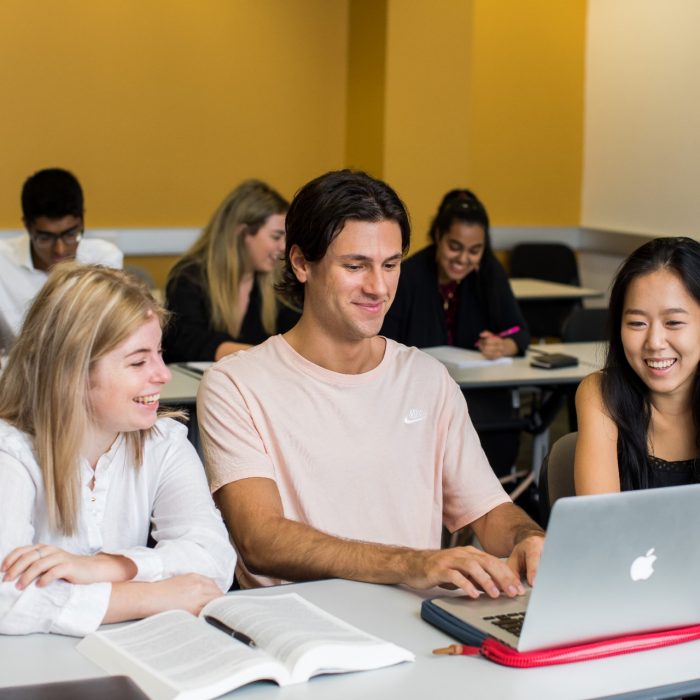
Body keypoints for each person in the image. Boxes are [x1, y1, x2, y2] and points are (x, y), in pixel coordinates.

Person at [198, 169, 544, 594]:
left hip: (415, 622)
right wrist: (412, 564)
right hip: (301, 628)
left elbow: (489, 512)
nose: (378, 287)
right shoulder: (235, 385)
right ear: (302, 263)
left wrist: (528, 538)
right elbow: (260, 540)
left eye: (391, 264)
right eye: (356, 265)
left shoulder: (427, 379)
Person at [0, 264, 235, 636]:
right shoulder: (10, 453)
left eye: (158, 353)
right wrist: (151, 597)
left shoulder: (165, 442)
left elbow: (214, 559)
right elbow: (4, 599)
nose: (163, 374)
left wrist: (109, 567)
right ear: (71, 371)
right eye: (138, 361)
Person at [381, 189, 531, 476]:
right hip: (418, 394)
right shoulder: (408, 275)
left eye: (474, 250)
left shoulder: (489, 274)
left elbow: (519, 331)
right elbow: (386, 340)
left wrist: (505, 344)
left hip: (476, 392)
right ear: (438, 236)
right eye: (454, 246)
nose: (463, 259)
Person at [575, 237, 700, 494]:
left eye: (673, 322)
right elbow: (601, 521)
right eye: (636, 323)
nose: (654, 342)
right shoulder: (601, 394)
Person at [163, 180, 299, 362]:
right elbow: (187, 341)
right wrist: (260, 356)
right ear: (242, 233)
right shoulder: (188, 276)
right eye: (276, 236)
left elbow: (295, 331)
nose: (283, 246)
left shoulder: (274, 281)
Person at [0, 168, 123, 344]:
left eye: (70, 234)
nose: (60, 249)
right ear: (27, 227)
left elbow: (104, 335)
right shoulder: (2, 262)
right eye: (45, 237)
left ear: (82, 221)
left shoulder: (104, 259)